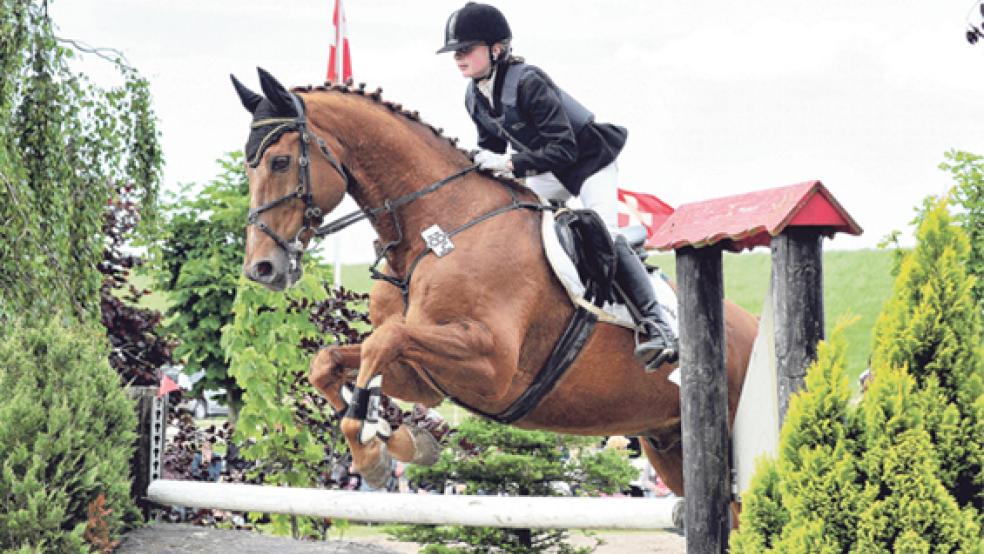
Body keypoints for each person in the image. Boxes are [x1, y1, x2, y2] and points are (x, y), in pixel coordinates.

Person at [437, 2, 678, 369]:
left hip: (588, 162)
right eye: (455, 52)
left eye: (466, 49)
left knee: (605, 234)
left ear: (496, 48)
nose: (458, 58)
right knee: (511, 215)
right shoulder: (474, 95)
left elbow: (564, 147)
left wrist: (510, 164)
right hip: (547, 169)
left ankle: (658, 324)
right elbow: (490, 148)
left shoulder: (529, 82)